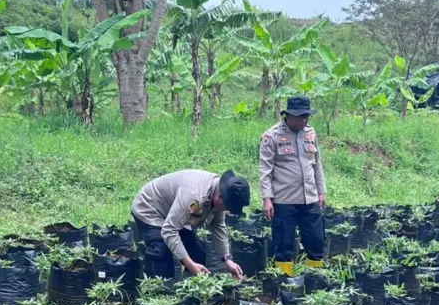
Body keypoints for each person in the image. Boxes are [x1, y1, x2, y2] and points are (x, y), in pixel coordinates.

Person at [131, 169, 249, 280]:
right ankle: (159, 290)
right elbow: (169, 230)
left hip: (175, 212)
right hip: (150, 209)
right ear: (219, 197)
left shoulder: (219, 191)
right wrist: (190, 264)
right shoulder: (195, 198)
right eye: (227, 207)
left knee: (197, 253)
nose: (227, 210)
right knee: (162, 255)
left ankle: (190, 290)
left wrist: (227, 259)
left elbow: (218, 225)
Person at [259, 96, 327, 277]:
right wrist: (267, 199)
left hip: (309, 198)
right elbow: (265, 170)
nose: (303, 120)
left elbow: (317, 164)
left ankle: (314, 280)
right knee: (283, 244)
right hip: (284, 200)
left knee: (316, 241)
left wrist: (322, 191)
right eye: (299, 117)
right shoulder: (271, 136)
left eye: (306, 116)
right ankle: (284, 282)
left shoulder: (310, 133)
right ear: (287, 115)